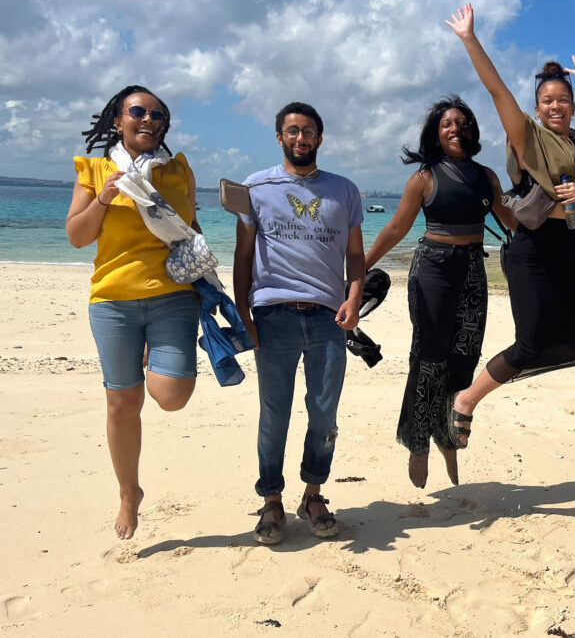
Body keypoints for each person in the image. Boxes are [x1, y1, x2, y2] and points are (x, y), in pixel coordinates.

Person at [445, 3, 575, 451]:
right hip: (528, 249)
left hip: (569, 246)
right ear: (536, 107)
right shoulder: (527, 136)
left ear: (573, 105)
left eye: (562, 100)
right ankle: (466, 401)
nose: (555, 106)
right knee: (530, 344)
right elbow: (495, 91)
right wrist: (470, 38)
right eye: (547, 101)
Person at [67, 85, 202, 540]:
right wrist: (103, 199)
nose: (149, 119)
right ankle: (129, 493)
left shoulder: (178, 169)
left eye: (157, 114)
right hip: (113, 301)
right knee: (122, 404)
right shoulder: (96, 170)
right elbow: (77, 237)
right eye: (138, 111)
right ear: (117, 120)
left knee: (172, 396)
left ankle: (154, 357)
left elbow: (191, 229)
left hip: (173, 296)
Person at [365, 96, 516, 488]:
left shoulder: (486, 176)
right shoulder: (424, 178)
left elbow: (511, 220)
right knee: (429, 358)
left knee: (465, 356)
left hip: (471, 269)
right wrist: (360, 266)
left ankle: (447, 438)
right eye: (448, 124)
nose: (456, 129)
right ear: (436, 132)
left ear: (473, 131)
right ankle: (419, 442)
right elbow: (396, 228)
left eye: (463, 123)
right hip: (432, 268)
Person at [233, 101, 365, 544]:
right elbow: (244, 254)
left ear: (320, 138)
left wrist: (353, 297)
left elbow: (355, 256)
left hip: (329, 318)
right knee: (274, 413)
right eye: (292, 131)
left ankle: (313, 494)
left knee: (324, 412)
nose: (300, 138)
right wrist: (243, 311)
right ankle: (271, 500)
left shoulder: (344, 190)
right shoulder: (256, 186)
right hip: (273, 316)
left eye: (308, 131)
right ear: (279, 137)